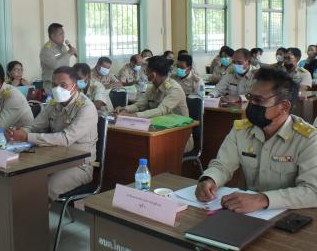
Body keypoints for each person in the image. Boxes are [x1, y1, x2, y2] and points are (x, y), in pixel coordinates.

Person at [195, 68, 317, 212]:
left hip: (291, 215)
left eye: (258, 100)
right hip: (246, 212)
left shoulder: (308, 139)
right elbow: (223, 165)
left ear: (284, 106)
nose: (251, 104)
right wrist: (209, 179)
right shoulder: (241, 130)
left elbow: (312, 191)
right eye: (250, 97)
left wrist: (263, 199)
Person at [5, 66, 98, 200]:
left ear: (75, 86)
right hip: (53, 158)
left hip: (79, 165)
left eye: (63, 85)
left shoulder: (86, 107)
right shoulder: (54, 103)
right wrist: (19, 132)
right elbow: (36, 125)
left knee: (45, 188)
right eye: (55, 85)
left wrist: (27, 137)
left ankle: (36, 219)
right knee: (23, 178)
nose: (57, 89)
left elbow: (66, 139)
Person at [115, 56, 193, 152]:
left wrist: (133, 116)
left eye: (146, 71)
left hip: (178, 137)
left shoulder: (174, 89)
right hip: (157, 131)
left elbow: (161, 111)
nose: (145, 74)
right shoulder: (152, 88)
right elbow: (140, 105)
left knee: (142, 148)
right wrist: (125, 109)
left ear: (153, 74)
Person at [39, 23, 77, 92]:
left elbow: (65, 64)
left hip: (64, 83)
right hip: (52, 85)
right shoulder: (46, 49)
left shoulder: (63, 47)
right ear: (52, 36)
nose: (63, 36)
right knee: (55, 103)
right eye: (61, 34)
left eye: (63, 34)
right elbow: (56, 65)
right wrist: (68, 53)